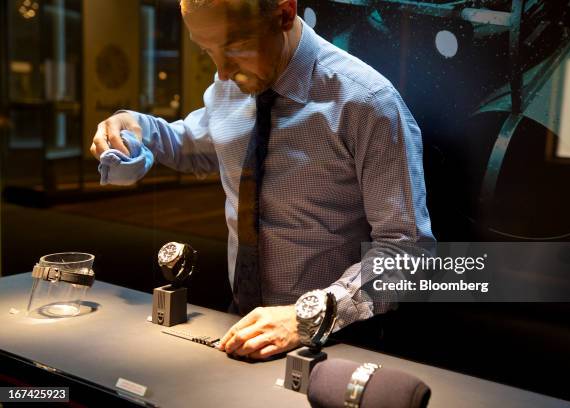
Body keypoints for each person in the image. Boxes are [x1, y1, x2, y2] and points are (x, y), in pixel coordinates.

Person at [90, 0, 434, 360]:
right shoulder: (230, 84)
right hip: (241, 327)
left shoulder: (367, 102)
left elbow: (407, 249)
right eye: (207, 50)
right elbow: (194, 142)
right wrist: (133, 124)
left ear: (284, 13)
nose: (221, 71)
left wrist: (306, 317)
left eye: (235, 48)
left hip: (337, 345)